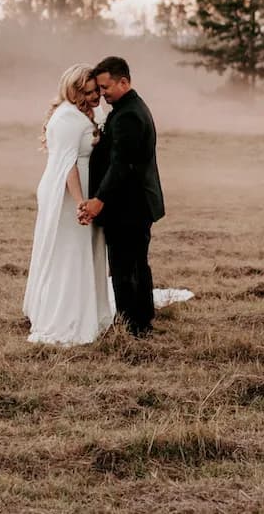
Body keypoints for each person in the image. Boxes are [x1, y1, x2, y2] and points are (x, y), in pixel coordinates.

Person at [23, 65, 114, 345]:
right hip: (67, 192)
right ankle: (66, 314)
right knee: (70, 249)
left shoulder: (85, 113)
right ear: (74, 92)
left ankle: (90, 305)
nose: (95, 96)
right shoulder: (66, 118)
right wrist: (80, 204)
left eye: (97, 90)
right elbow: (67, 165)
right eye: (88, 93)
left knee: (84, 247)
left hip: (85, 188)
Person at [78, 56, 165, 336]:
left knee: (124, 265)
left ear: (123, 82)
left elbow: (122, 163)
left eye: (105, 88)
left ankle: (133, 325)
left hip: (129, 204)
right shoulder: (129, 107)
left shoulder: (128, 114)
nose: (102, 95)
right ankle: (142, 317)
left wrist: (98, 200)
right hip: (136, 202)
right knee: (136, 262)